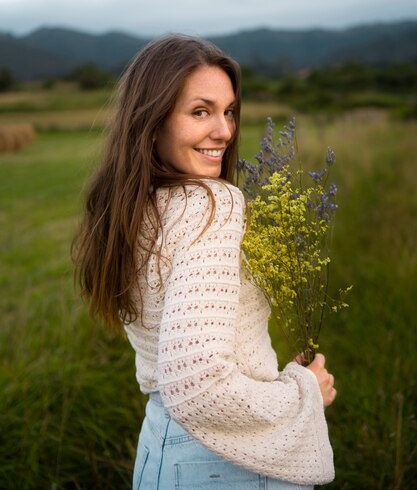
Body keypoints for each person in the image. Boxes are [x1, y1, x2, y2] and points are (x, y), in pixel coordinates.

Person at [73, 35, 336, 489]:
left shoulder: (136, 208)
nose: (225, 131)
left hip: (161, 447)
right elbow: (198, 386)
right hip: (225, 461)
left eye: (228, 110)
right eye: (200, 111)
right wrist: (304, 391)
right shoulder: (210, 205)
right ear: (152, 121)